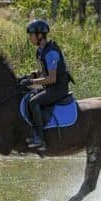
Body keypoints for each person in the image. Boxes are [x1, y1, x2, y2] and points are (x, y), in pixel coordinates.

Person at [18, 19, 74, 150]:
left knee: (34, 102)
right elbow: (44, 72)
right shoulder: (41, 51)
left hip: (58, 89)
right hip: (50, 87)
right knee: (27, 96)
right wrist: (27, 76)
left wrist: (31, 82)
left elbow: (51, 78)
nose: (30, 38)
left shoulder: (51, 53)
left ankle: (39, 138)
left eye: (31, 35)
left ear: (39, 35)